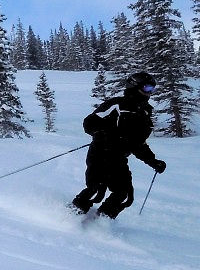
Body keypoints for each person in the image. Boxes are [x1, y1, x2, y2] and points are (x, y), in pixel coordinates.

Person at [70, 71, 167, 218]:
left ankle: (101, 222)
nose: (150, 92)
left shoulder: (145, 112)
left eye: (152, 88)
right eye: (147, 87)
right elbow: (89, 122)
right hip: (101, 152)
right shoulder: (117, 104)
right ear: (135, 86)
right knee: (96, 190)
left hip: (119, 158)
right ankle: (69, 217)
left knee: (124, 194)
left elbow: (138, 144)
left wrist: (153, 161)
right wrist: (101, 133)